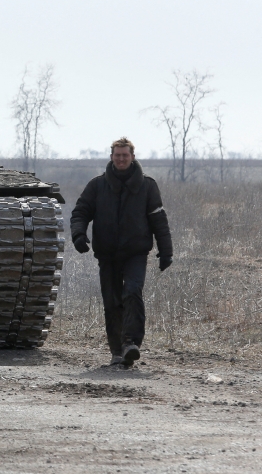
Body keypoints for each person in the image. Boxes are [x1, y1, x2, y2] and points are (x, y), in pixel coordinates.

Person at [70, 137, 173, 367]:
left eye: (125, 155)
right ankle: (117, 351)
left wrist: (166, 251)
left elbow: (158, 219)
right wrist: (79, 234)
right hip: (107, 254)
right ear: (111, 157)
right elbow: (80, 212)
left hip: (136, 252)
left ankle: (131, 343)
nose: (121, 159)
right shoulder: (97, 185)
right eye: (117, 155)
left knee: (133, 292)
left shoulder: (147, 185)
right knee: (112, 301)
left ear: (132, 157)